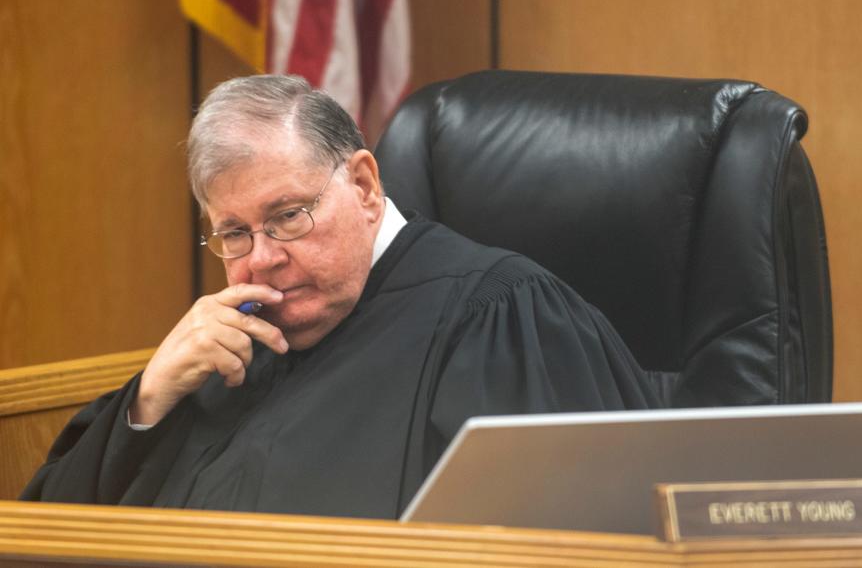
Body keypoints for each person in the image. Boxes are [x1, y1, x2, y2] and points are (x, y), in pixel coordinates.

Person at [22, 74, 663, 518]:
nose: (263, 258)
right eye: (234, 233)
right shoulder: (226, 343)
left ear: (361, 185)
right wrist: (150, 398)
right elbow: (43, 536)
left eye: (289, 216)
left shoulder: (499, 318)